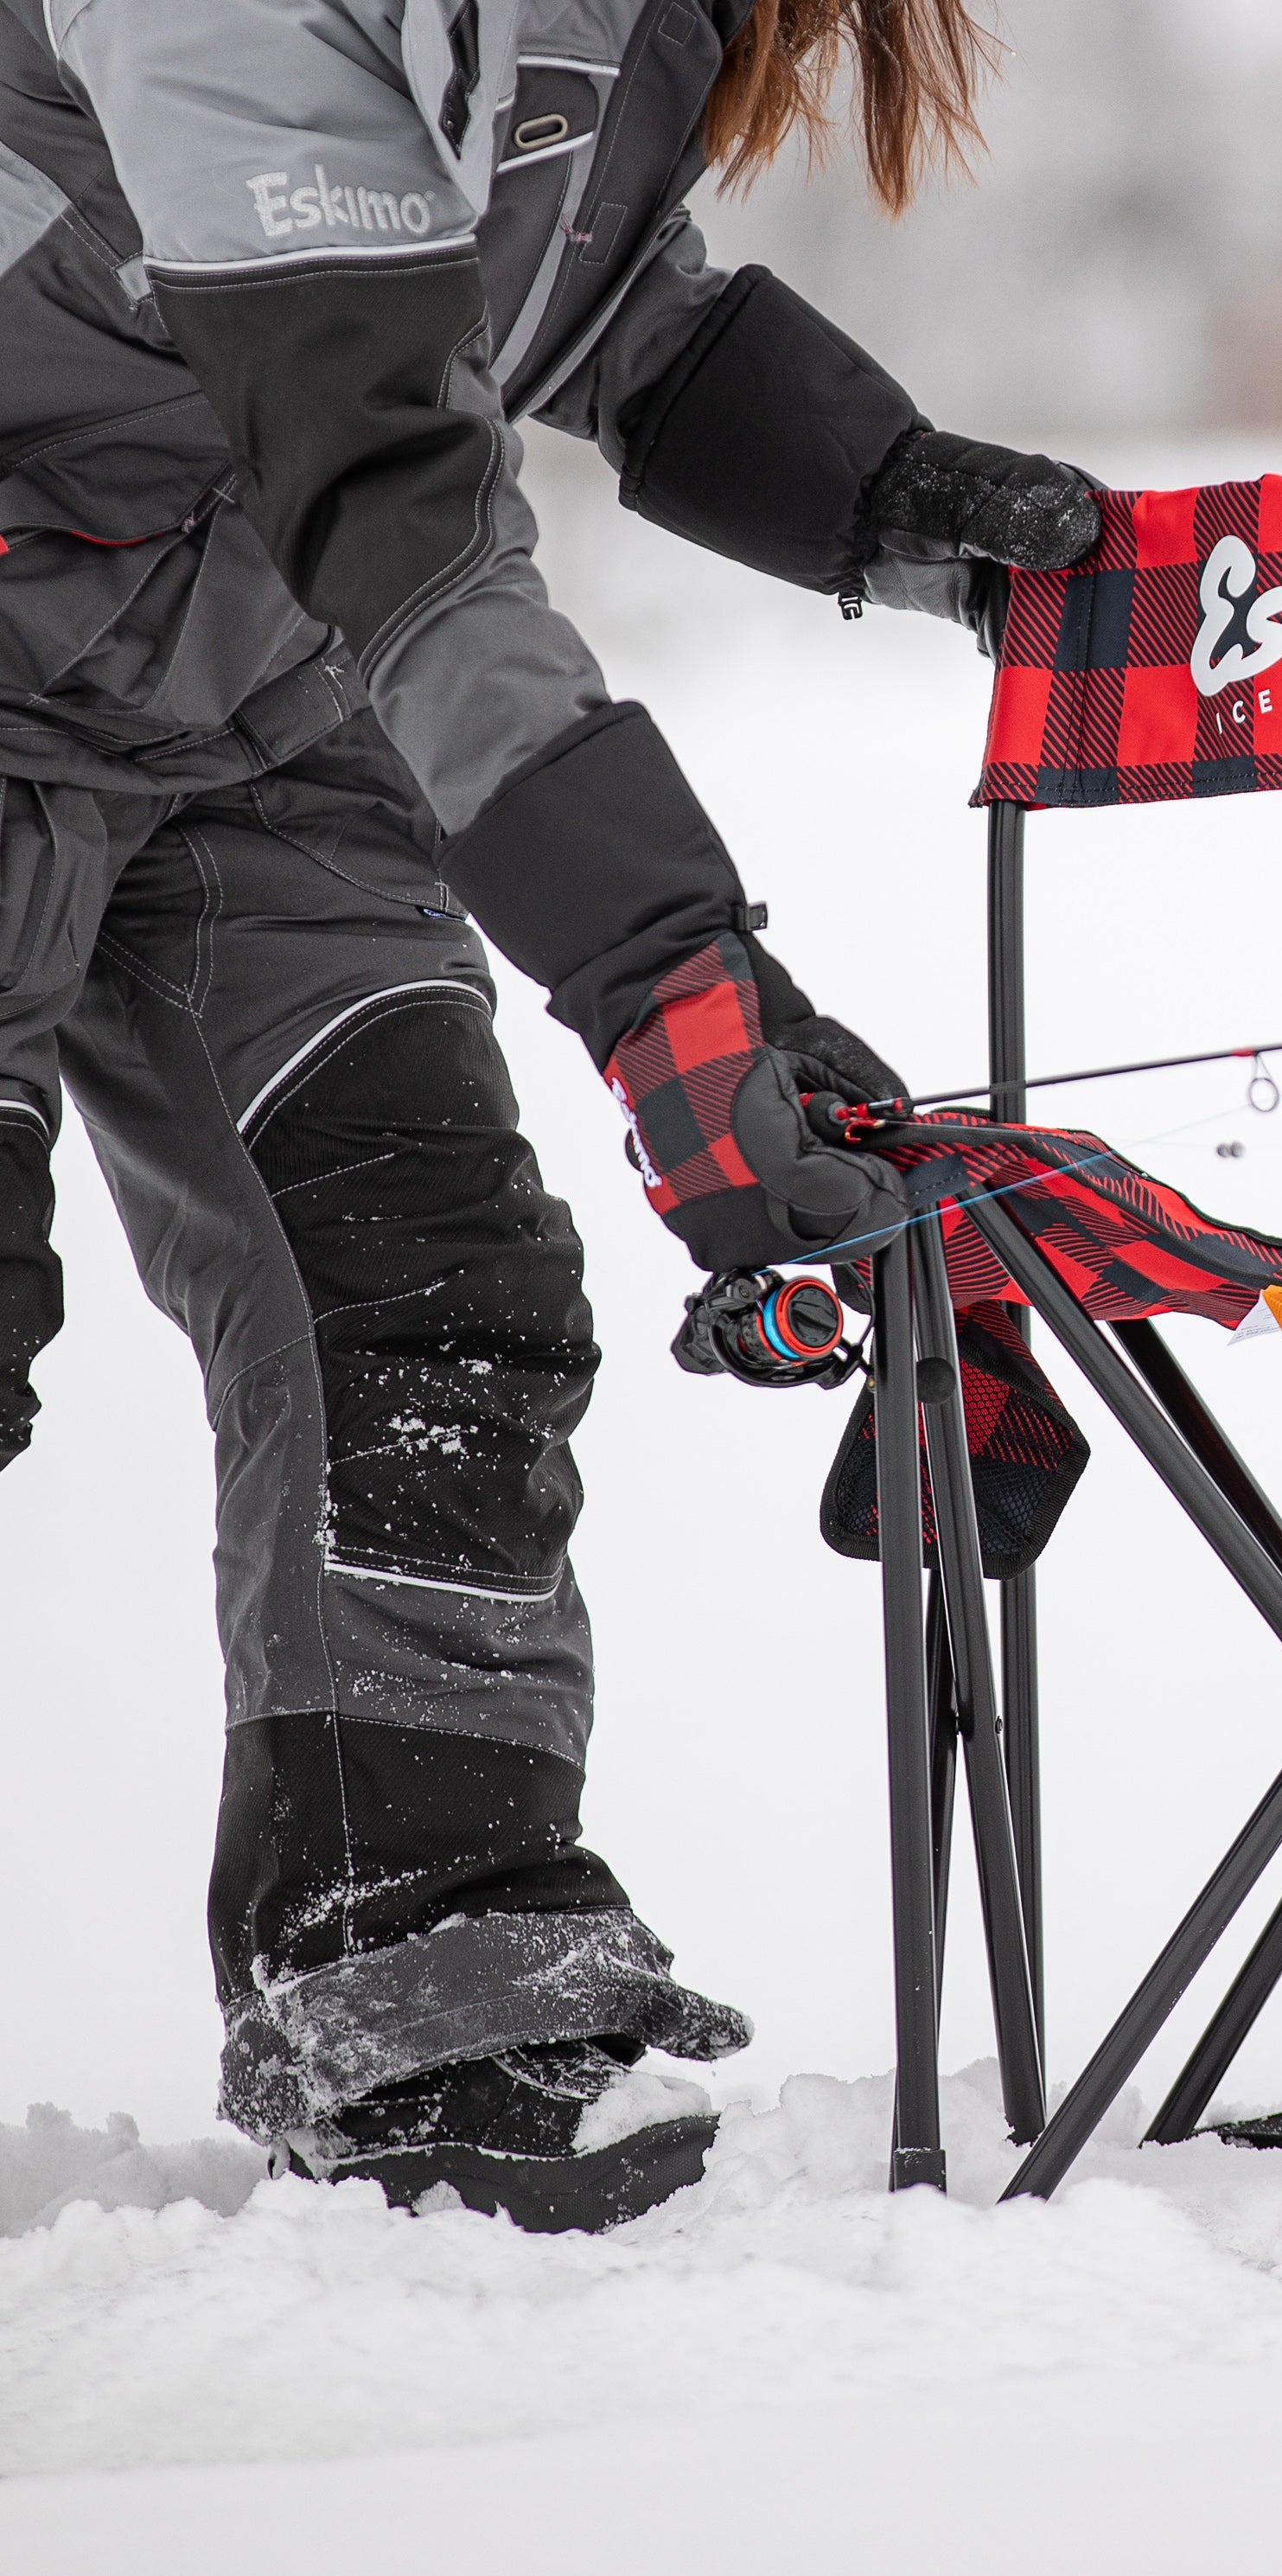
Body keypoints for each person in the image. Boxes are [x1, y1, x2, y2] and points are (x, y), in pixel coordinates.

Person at [0, 0, 1095, 2232]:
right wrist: (667, 972)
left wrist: (884, 496)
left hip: (249, 699)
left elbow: (586, 306)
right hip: (180, 595)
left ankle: (425, 1990)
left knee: (432, 1295)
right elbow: (390, 479)